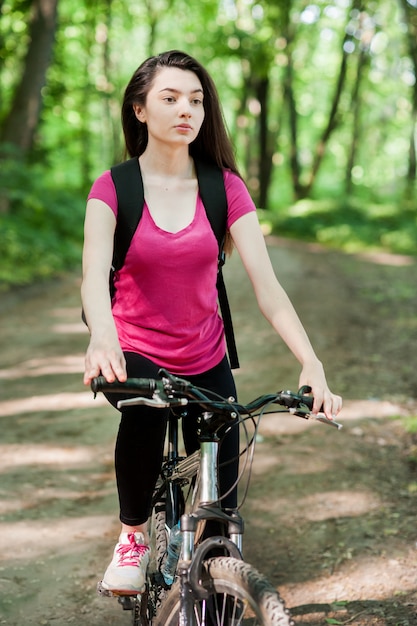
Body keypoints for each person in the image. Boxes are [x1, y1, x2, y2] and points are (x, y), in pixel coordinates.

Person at [81, 50, 342, 594]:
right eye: (170, 98)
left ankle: (216, 578)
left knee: (220, 504)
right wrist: (102, 336)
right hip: (131, 351)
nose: (186, 110)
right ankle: (131, 535)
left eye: (196, 100)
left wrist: (311, 361)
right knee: (146, 416)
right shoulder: (113, 188)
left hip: (206, 356)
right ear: (139, 110)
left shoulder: (225, 188)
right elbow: (92, 277)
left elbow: (269, 290)